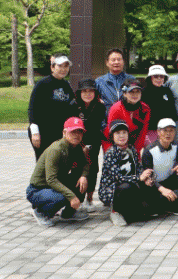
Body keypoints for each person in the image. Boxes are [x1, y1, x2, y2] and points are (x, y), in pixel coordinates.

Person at [26, 117, 90, 226]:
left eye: (79, 131)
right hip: (38, 189)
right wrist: (71, 196)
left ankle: (68, 213)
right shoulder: (56, 149)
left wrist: (83, 176)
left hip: (54, 185)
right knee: (62, 197)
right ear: (64, 133)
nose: (77, 135)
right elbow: (51, 179)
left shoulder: (76, 147)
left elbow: (85, 164)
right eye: (73, 131)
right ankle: (40, 212)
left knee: (81, 182)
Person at [98, 120, 161, 226]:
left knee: (151, 205)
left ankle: (134, 210)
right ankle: (115, 211)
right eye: (118, 133)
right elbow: (117, 178)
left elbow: (138, 168)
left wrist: (147, 177)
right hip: (115, 189)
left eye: (124, 132)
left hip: (132, 184)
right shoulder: (110, 153)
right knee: (125, 188)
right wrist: (139, 178)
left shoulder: (131, 149)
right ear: (112, 136)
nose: (121, 136)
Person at [28, 54, 79, 160]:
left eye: (66, 66)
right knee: (44, 162)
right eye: (60, 66)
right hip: (43, 132)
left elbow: (72, 106)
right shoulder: (43, 84)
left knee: (58, 163)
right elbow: (32, 108)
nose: (63, 69)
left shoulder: (66, 85)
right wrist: (35, 132)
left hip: (59, 132)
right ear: (52, 67)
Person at [141, 118, 178, 216]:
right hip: (154, 186)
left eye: (171, 130)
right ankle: (162, 205)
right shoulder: (149, 150)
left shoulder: (176, 146)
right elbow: (148, 177)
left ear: (175, 132)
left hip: (168, 181)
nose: (168, 134)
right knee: (153, 197)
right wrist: (162, 189)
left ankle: (171, 205)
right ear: (158, 132)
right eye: (165, 130)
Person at [75, 78, 106, 212]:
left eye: (91, 91)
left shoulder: (100, 106)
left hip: (94, 141)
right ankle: (78, 198)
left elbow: (96, 126)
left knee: (93, 169)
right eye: (84, 91)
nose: (87, 94)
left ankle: (89, 198)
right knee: (77, 169)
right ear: (79, 93)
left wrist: (89, 146)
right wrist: (81, 144)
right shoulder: (74, 105)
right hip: (77, 141)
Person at [103, 78, 150, 156]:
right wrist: (116, 152)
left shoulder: (145, 109)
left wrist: (135, 152)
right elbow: (110, 132)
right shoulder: (116, 108)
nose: (135, 95)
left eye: (137, 92)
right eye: (131, 92)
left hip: (133, 144)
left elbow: (142, 134)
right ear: (124, 93)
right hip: (113, 143)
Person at [142, 65, 178, 146]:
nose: (159, 79)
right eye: (156, 76)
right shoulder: (144, 93)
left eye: (161, 77)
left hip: (167, 129)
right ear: (150, 78)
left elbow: (172, 110)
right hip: (151, 130)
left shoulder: (167, 91)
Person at [95, 48, 135, 116]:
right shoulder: (99, 82)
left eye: (119, 59)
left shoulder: (131, 80)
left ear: (123, 62)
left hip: (127, 118)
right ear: (107, 63)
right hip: (107, 119)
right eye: (113, 60)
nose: (116, 62)